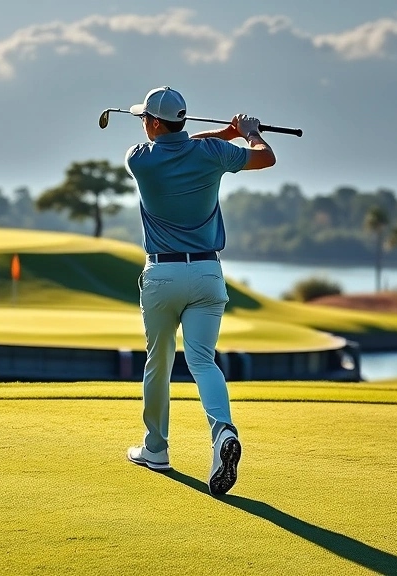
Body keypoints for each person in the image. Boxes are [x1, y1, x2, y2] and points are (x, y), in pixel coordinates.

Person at [122, 86, 276, 496]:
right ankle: (223, 432)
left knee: (159, 361)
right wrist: (247, 132)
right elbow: (266, 157)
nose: (142, 124)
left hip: (163, 275)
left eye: (143, 119)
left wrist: (226, 133)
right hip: (208, 273)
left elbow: (180, 146)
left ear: (154, 123)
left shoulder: (139, 159)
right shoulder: (211, 156)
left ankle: (156, 450)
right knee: (203, 362)